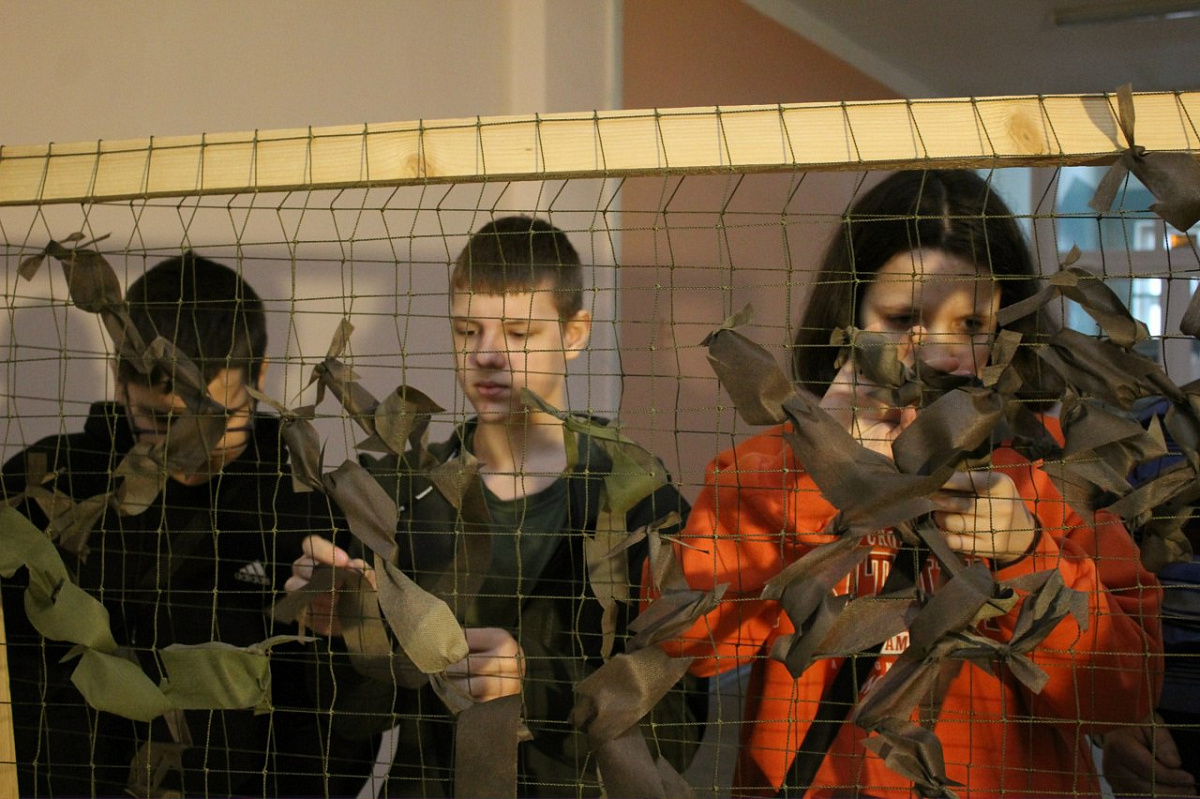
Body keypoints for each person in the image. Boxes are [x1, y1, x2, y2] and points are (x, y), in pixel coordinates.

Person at [663, 170, 1163, 797]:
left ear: (1011, 326)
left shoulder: (1054, 471)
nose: (937, 353)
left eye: (972, 325)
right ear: (848, 316)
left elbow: (1120, 696)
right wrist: (821, 471)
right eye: (902, 318)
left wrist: (1025, 555)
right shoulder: (768, 468)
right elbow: (688, 644)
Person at [287, 216, 700, 797]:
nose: (486, 354)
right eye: (467, 330)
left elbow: (682, 729)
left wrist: (532, 684)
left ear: (575, 333)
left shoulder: (643, 502)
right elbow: (351, 722)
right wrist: (345, 629)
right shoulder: (399, 493)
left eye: (518, 332)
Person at [1, 253, 362, 797]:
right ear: (121, 381)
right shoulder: (44, 483)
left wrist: (357, 629)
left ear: (260, 377)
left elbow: (349, 725)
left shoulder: (312, 504)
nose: (190, 451)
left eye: (217, 420)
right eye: (163, 419)